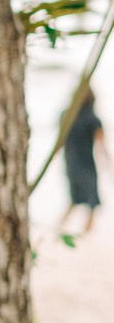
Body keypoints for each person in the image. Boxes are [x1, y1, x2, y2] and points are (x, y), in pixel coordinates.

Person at [61, 81, 102, 237]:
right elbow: (101, 144)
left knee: (74, 198)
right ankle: (87, 232)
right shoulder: (93, 119)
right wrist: (109, 164)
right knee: (92, 200)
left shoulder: (66, 115)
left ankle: (60, 225)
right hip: (87, 163)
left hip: (70, 162)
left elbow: (60, 141)